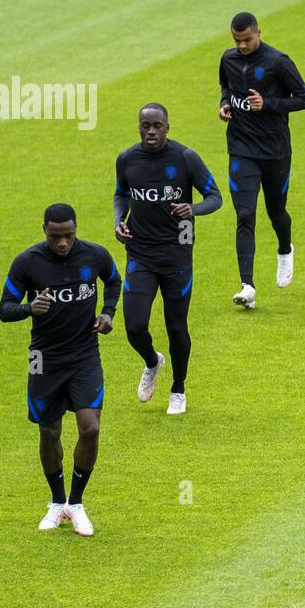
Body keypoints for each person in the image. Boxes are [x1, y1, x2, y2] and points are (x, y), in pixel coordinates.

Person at [0, 203, 121, 537]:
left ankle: (76, 503)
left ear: (76, 228)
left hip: (84, 355)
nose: (63, 242)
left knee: (90, 428)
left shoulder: (95, 255)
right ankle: (56, 502)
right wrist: (29, 307)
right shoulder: (27, 263)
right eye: (56, 237)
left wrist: (108, 313)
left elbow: (113, 280)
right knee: (49, 431)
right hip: (44, 359)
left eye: (68, 235)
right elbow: (4, 309)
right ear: (44, 231)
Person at [113, 103, 222, 416]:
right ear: (138, 127)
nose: (151, 131)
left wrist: (193, 209)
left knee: (176, 325)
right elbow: (121, 193)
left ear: (167, 127)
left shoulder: (185, 158)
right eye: (145, 125)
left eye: (157, 125)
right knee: (134, 326)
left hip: (177, 253)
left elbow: (215, 196)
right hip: (140, 253)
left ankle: (178, 387)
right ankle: (152, 361)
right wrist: (120, 220)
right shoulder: (126, 159)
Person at [218, 11, 305, 309]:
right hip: (241, 149)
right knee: (245, 214)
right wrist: (224, 105)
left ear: (259, 32)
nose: (242, 46)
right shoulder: (228, 59)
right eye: (237, 40)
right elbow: (225, 87)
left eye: (247, 39)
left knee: (276, 212)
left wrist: (267, 104)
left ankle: (285, 249)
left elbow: (304, 98)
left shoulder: (278, 61)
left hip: (275, 151)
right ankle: (248, 286)